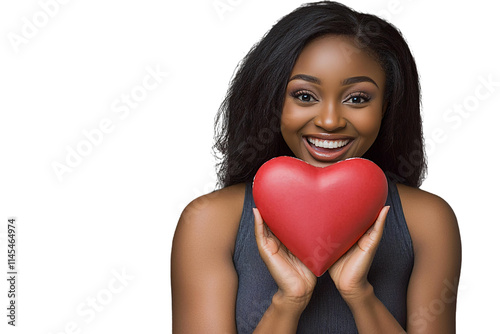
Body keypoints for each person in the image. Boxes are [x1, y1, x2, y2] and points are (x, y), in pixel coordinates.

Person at [171, 1, 461, 333]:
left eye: (357, 98)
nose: (329, 121)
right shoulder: (209, 221)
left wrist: (359, 294)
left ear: (388, 106)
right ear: (271, 99)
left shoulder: (428, 222)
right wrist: (288, 301)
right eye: (305, 96)